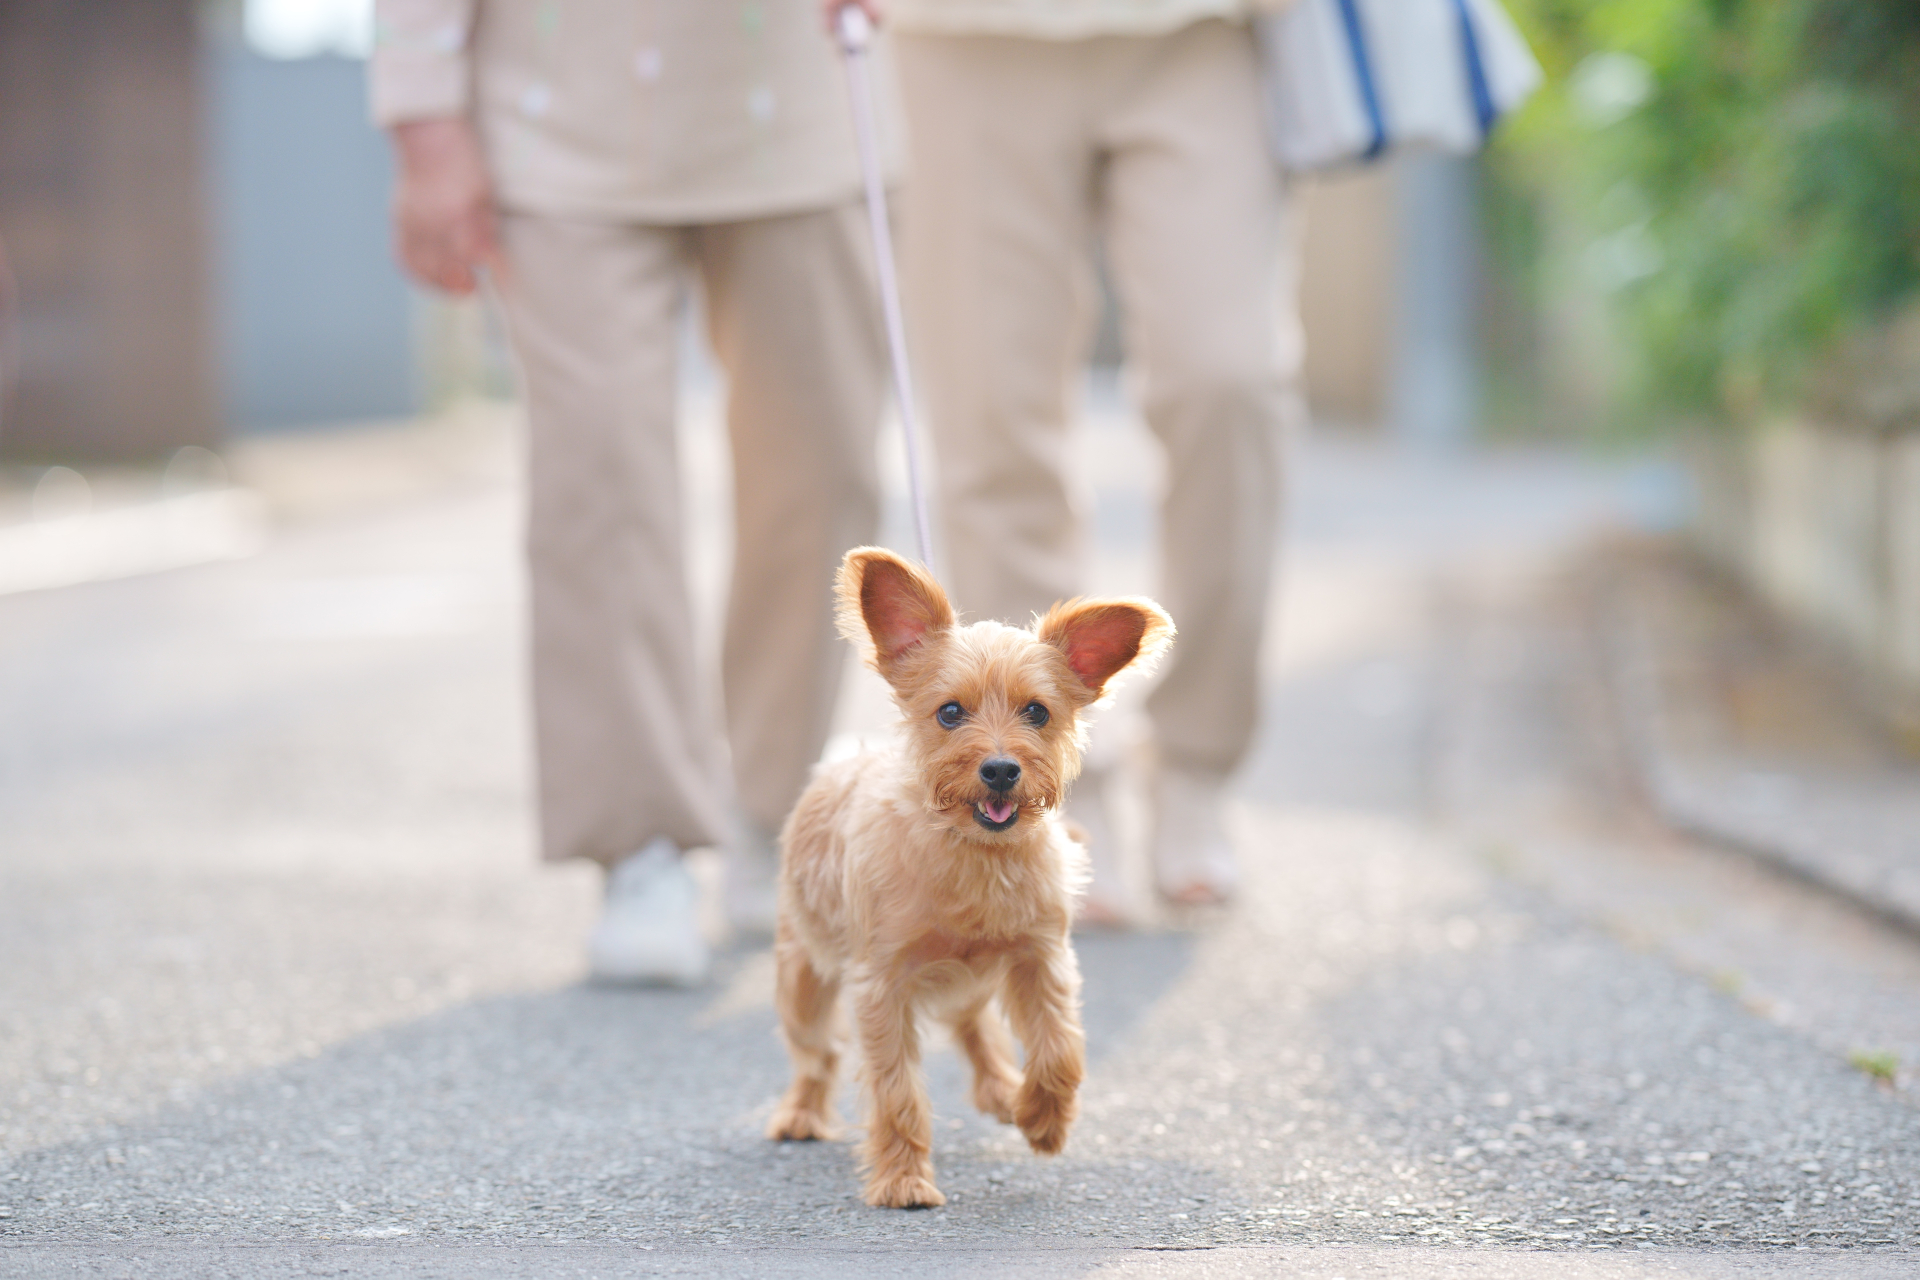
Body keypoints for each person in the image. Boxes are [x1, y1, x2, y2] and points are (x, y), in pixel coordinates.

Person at [372, 0, 896, 984]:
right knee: (599, 467)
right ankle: (640, 843)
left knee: (825, 465)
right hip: (556, 124)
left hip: (801, 106)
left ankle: (777, 811)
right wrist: (425, 125)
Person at [836, 0, 1301, 919]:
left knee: (1231, 384)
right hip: (960, 38)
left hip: (1198, 33)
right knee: (991, 422)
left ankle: (1198, 762)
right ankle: (1045, 788)